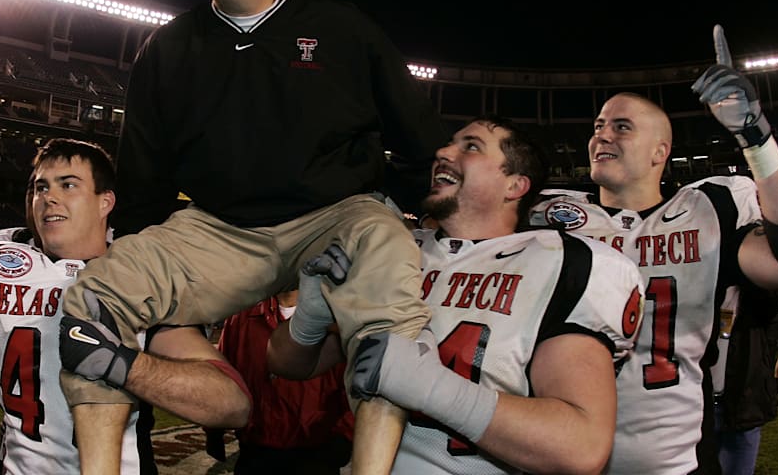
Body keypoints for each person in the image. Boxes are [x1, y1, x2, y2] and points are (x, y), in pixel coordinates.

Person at [57, 0, 447, 473]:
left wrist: (412, 207)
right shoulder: (168, 49)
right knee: (94, 300)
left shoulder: (343, 30)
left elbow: (418, 143)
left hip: (334, 217)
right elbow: (145, 184)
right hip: (220, 230)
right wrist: (148, 265)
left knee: (385, 274)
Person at [273, 117, 645, 473]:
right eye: (450, 143)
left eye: (471, 146)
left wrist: (428, 387)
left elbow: (581, 447)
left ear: (515, 185)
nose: (444, 153)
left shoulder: (562, 260)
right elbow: (287, 365)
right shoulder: (395, 251)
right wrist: (311, 317)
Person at [529, 26, 778, 473]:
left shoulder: (706, 209)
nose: (601, 136)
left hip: (673, 461)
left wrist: (755, 138)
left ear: (659, 151)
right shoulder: (548, 215)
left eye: (621, 127)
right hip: (555, 454)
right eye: (599, 126)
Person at [0, 138, 251, 475]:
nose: (48, 197)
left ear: (106, 202)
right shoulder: (1, 273)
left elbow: (230, 405)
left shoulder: (140, 282)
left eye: (68, 185)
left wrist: (123, 364)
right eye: (40, 187)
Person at [209, 289, 354, 474]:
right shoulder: (241, 317)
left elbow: (355, 384)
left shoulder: (336, 317)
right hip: (254, 451)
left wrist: (344, 437)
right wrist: (214, 430)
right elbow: (223, 375)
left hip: (316, 453)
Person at [712, 283, 778, 475]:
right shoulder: (699, 283)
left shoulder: (756, 292)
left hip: (744, 400)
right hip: (699, 405)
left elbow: (771, 301)